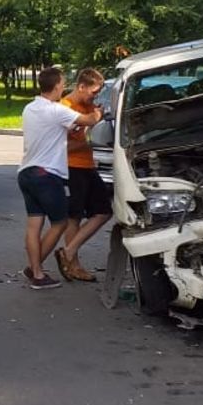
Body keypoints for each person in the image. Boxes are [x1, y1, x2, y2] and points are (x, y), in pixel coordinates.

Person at [18, 67, 102, 290]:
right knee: (60, 222)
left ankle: (34, 270)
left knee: (34, 224)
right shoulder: (56, 110)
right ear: (56, 86)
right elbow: (89, 120)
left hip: (26, 172)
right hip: (47, 175)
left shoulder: (29, 108)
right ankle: (36, 272)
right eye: (62, 84)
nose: (64, 88)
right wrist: (99, 113)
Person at [55, 68, 111, 282]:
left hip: (87, 166)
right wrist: (86, 138)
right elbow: (63, 145)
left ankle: (68, 253)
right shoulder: (66, 108)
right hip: (71, 167)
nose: (94, 96)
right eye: (93, 92)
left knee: (103, 211)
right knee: (74, 217)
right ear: (81, 87)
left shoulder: (89, 107)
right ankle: (73, 264)